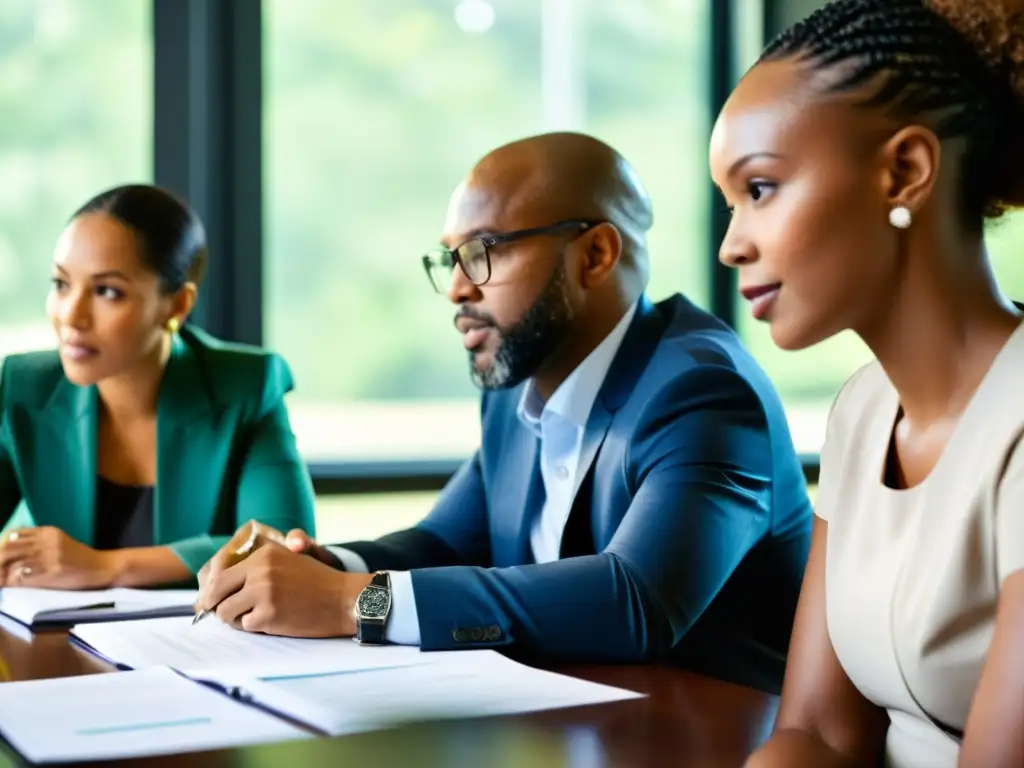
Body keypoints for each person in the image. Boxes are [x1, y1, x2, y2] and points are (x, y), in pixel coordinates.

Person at [196, 132, 812, 693]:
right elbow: (447, 540)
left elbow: (634, 601)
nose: (460, 288)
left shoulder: (702, 389)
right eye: (451, 259)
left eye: (483, 251)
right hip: (567, 719)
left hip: (712, 732)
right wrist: (328, 566)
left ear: (595, 255)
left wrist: (351, 602)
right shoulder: (514, 389)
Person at [709, 1, 1024, 766]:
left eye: (759, 190)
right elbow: (817, 733)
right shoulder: (862, 411)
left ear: (905, 172)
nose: (730, 246)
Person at [0, 184, 316, 589]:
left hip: (206, 646)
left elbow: (285, 545)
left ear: (178, 305)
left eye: (106, 292)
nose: (71, 316)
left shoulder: (246, 386)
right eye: (61, 284)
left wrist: (105, 566)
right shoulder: (23, 388)